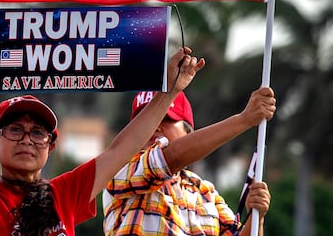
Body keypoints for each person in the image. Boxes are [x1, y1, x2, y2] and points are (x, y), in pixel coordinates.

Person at [0, 23, 206, 236]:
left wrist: (169, 92)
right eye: (15, 130)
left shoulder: (64, 194)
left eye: (38, 133)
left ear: (51, 146)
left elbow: (122, 150)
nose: (27, 141)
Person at [102, 86, 277, 236]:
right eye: (144, 122)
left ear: (188, 133)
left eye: (165, 118)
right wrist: (244, 119)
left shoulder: (205, 191)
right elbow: (172, 155)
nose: (154, 126)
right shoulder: (119, 168)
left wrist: (256, 217)